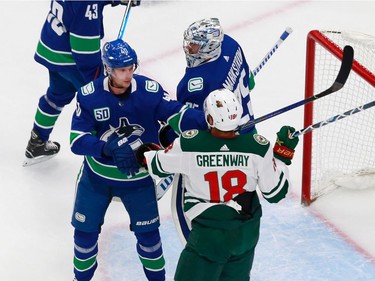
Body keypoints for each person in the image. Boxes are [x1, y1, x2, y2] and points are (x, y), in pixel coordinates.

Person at [69, 38, 206, 281]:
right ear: (109, 69)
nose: (128, 73)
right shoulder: (88, 96)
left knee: (150, 239)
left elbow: (175, 113)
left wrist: (207, 120)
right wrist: (105, 149)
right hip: (97, 178)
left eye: (131, 67)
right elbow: (76, 141)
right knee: (84, 238)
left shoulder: (149, 90)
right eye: (122, 69)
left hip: (139, 179)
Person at [137, 88, 299, 281]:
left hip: (209, 238)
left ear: (211, 119)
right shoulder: (258, 147)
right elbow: (276, 193)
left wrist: (144, 152)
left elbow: (153, 163)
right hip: (244, 237)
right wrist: (281, 155)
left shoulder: (190, 144)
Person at [23, 0, 140, 166]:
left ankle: (37, 141)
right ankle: (109, 153)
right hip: (71, 58)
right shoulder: (87, 4)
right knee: (103, 101)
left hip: (53, 47)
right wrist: (99, 81)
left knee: (57, 96)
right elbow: (84, 50)